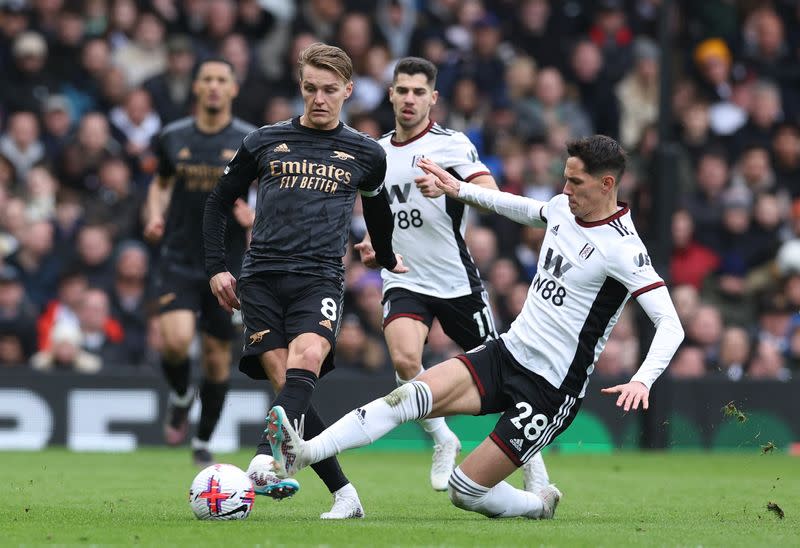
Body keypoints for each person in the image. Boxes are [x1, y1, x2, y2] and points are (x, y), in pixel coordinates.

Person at [267, 135, 685, 520]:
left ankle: (538, 506)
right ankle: (305, 452)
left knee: (463, 491)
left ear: (607, 183)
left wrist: (643, 380)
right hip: (507, 353)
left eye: (576, 182)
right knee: (406, 397)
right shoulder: (562, 208)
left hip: (551, 388)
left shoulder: (624, 250)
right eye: (565, 179)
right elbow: (518, 207)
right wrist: (458, 189)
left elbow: (670, 323)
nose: (566, 189)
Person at [203, 43, 406, 519]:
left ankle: (261, 460)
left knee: (307, 359)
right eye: (311, 88)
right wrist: (217, 266)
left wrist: (387, 256)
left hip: (318, 279)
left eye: (330, 90)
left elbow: (378, 211)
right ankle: (345, 495)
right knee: (290, 390)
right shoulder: (263, 141)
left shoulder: (366, 152)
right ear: (301, 87)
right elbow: (217, 203)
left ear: (348, 91)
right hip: (260, 279)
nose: (319, 98)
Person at [354, 56, 548, 492]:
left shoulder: (452, 145)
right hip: (404, 277)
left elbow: (494, 196)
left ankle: (536, 473)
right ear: (390, 94)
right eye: (402, 90)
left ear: (433, 99)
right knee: (405, 359)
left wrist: (448, 185)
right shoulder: (377, 153)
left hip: (456, 280)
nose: (409, 99)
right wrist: (374, 246)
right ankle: (443, 438)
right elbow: (385, 215)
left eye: (419, 92)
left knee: (508, 377)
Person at [143, 58, 257, 468]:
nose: (213, 86)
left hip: (228, 263)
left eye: (221, 80)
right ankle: (178, 396)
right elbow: (160, 184)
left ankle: (202, 440)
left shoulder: (249, 139)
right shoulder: (172, 137)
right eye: (206, 79)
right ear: (195, 87)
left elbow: (268, 193)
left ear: (233, 89)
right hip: (179, 256)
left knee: (214, 358)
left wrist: (254, 218)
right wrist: (154, 215)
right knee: (174, 341)